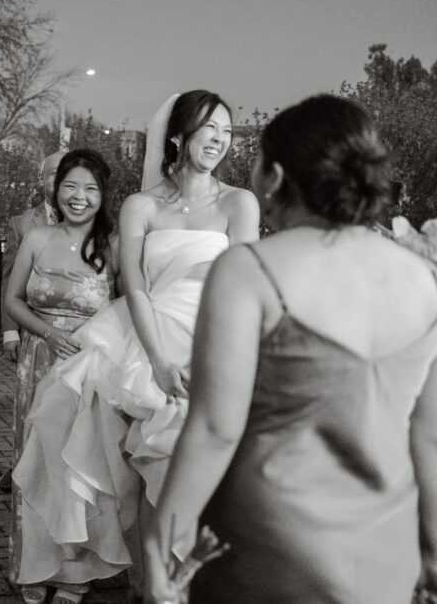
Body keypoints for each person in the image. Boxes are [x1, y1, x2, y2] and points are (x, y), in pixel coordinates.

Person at [143, 95, 437, 604]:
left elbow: (215, 429)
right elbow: (429, 435)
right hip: (384, 549)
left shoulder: (249, 270)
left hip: (266, 542)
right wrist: (431, 554)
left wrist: (163, 537)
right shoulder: (423, 278)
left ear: (275, 177)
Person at [13, 90, 259, 601]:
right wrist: (158, 360)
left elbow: (246, 286)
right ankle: (148, 586)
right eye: (209, 129)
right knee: (140, 468)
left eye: (227, 132)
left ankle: (199, 583)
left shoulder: (240, 202)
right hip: (148, 338)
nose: (219, 140)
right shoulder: (141, 205)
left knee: (199, 469)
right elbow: (139, 286)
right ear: (178, 135)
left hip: (214, 337)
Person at [4, 149, 118, 604]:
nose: (79, 196)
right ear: (56, 188)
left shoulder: (114, 246)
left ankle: (72, 571)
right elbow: (13, 300)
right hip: (38, 363)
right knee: (34, 465)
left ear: (103, 195)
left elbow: (131, 306)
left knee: (75, 470)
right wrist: (47, 333)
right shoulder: (35, 238)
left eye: (90, 188)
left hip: (88, 373)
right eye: (71, 186)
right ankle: (33, 565)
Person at [0, 150, 67, 493]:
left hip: (78, 334)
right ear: (41, 180)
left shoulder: (96, 222)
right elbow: (10, 281)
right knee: (30, 404)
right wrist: (10, 331)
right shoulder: (23, 224)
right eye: (54, 173)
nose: (62, 179)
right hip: (34, 331)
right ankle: (22, 465)